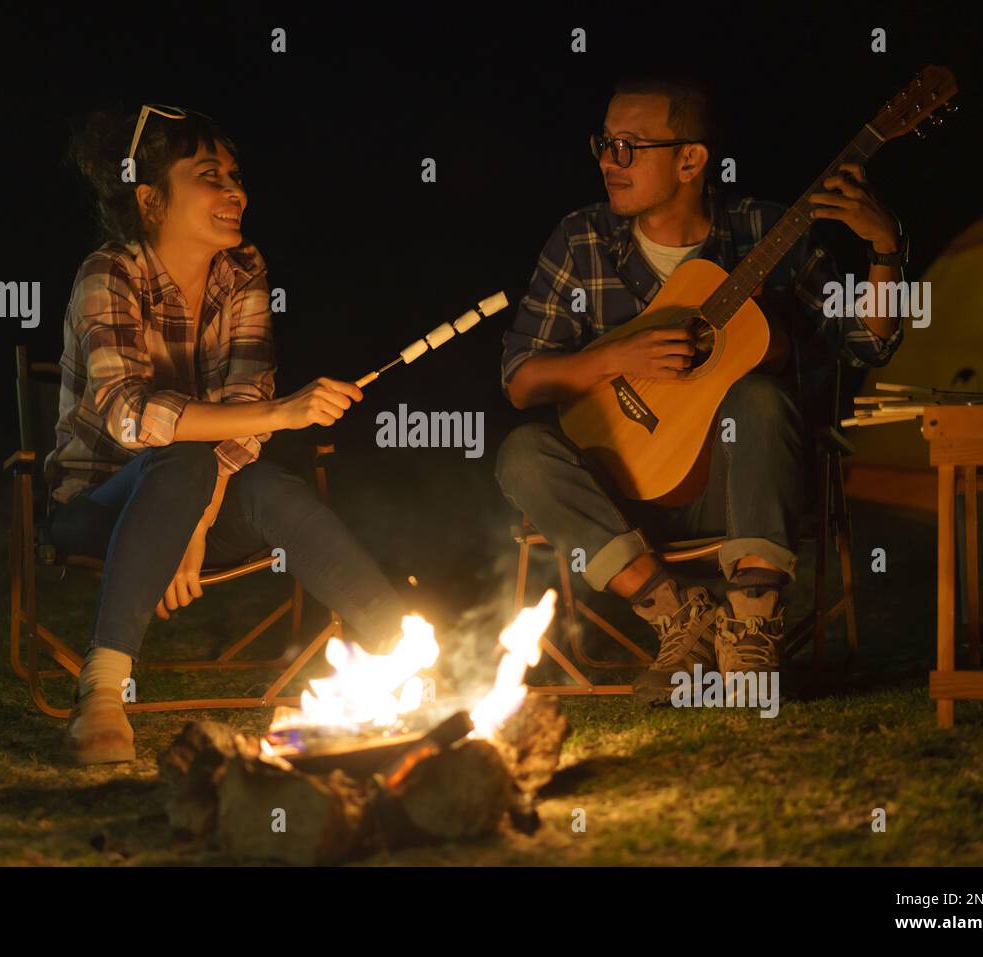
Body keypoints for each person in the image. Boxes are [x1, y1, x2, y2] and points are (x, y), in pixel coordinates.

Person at [495, 76, 908, 701]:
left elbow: (869, 341)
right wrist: (614, 356)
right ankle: (677, 614)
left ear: (690, 159)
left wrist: (885, 246)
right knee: (521, 453)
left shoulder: (765, 234)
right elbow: (522, 380)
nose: (609, 162)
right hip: (616, 499)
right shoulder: (582, 239)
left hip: (736, 489)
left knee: (761, 399)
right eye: (604, 144)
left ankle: (750, 625)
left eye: (629, 146)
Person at [46, 105, 407, 764]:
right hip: (96, 505)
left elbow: (244, 405)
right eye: (210, 176)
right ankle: (100, 695)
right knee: (179, 458)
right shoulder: (108, 274)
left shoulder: (242, 271)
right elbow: (132, 414)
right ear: (151, 200)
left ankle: (403, 653)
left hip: (198, 497)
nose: (236, 190)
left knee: (275, 490)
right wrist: (283, 414)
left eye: (236, 174)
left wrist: (197, 522)